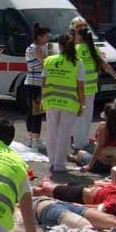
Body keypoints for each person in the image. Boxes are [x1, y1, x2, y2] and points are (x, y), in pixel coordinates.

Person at [70, 22, 116, 150]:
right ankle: (83, 140)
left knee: (78, 115)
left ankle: (78, 143)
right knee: (87, 115)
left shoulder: (75, 49)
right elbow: (105, 65)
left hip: (79, 88)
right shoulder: (94, 49)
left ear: (79, 36)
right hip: (91, 88)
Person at [42, 33, 85, 173]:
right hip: (69, 102)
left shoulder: (49, 60)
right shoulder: (77, 63)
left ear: (59, 46)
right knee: (64, 133)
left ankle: (52, 162)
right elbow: (80, 87)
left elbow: (43, 83)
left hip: (50, 100)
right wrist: (82, 104)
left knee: (52, 132)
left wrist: (43, 99)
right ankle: (60, 165)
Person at [70, 103, 116, 173]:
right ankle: (75, 157)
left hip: (100, 164)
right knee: (90, 150)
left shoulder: (103, 126)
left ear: (106, 114)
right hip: (114, 164)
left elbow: (99, 147)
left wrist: (89, 166)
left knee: (80, 153)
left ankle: (74, 158)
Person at [24, 23, 50, 150]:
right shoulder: (37, 48)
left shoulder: (31, 47)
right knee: (37, 113)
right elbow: (46, 62)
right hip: (36, 83)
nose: (48, 38)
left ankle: (31, 138)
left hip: (30, 82)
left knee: (31, 112)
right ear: (40, 37)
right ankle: (36, 140)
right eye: (46, 36)